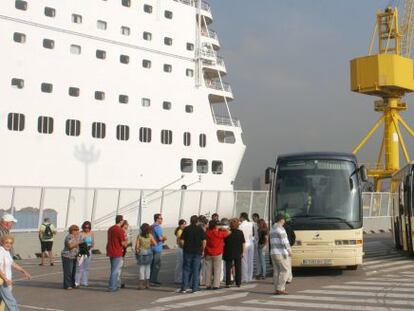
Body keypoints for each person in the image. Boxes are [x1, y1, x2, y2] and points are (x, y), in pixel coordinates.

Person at [0, 235, 31, 311]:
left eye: (10, 243)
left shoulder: (7, 252)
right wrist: (5, 279)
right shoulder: (1, 251)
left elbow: (13, 263)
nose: (8, 244)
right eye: (6, 242)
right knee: (11, 302)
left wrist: (24, 271)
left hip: (6, 280)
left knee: (2, 302)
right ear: (2, 242)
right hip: (2, 281)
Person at [178, 215, 206, 293]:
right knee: (196, 270)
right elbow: (204, 241)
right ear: (197, 221)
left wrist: (184, 247)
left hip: (187, 251)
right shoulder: (200, 229)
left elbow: (182, 241)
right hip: (197, 252)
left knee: (186, 269)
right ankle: (195, 288)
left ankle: (184, 287)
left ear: (190, 221)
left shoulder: (186, 229)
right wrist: (203, 250)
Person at [270, 214, 292, 295]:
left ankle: (276, 288)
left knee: (277, 271)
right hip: (281, 253)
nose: (284, 221)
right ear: (281, 220)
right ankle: (280, 288)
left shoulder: (272, 228)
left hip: (273, 252)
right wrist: (289, 250)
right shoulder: (280, 228)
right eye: (284, 220)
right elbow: (285, 241)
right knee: (285, 270)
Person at [204, 220, 229, 289]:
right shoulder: (219, 233)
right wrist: (223, 228)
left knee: (208, 269)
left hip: (208, 252)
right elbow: (228, 233)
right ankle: (216, 285)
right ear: (215, 226)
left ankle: (208, 284)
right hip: (218, 253)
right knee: (217, 269)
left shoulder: (207, 233)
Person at [0, 214, 17, 311]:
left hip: (4, 270)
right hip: (2, 272)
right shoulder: (1, 233)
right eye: (11, 223)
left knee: (3, 297)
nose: (12, 225)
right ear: (6, 223)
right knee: (10, 299)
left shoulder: (5, 231)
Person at [106, 215, 127, 292]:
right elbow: (123, 243)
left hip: (110, 250)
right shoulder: (120, 230)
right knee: (115, 271)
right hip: (117, 251)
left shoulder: (110, 229)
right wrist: (127, 242)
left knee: (113, 269)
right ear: (121, 221)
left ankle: (113, 285)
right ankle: (112, 287)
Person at [223, 218, 245, 288]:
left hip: (228, 251)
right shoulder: (240, 232)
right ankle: (238, 282)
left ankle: (228, 283)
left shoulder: (227, 232)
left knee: (228, 268)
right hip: (238, 252)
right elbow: (243, 243)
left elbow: (224, 242)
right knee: (238, 267)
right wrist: (243, 252)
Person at [62, 224, 83, 290]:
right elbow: (70, 246)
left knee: (73, 271)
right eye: (76, 230)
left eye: (78, 230)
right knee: (68, 271)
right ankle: (67, 285)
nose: (77, 231)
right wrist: (78, 243)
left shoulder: (76, 237)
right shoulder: (69, 237)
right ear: (72, 230)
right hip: (67, 256)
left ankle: (72, 284)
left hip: (74, 256)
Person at [135, 223, 156, 290]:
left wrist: (137, 251)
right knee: (148, 268)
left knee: (141, 268)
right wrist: (150, 244)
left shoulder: (139, 236)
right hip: (149, 252)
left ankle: (141, 284)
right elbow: (155, 243)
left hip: (141, 252)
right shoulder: (150, 235)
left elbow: (137, 246)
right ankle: (147, 284)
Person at [75, 221, 94, 287]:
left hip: (88, 251)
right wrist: (82, 241)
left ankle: (84, 281)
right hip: (81, 251)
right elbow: (76, 243)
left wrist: (91, 246)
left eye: (88, 227)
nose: (87, 229)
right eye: (85, 227)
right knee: (79, 267)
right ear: (83, 227)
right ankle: (77, 282)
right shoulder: (80, 234)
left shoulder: (91, 233)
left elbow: (93, 243)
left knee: (86, 267)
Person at [150, 214, 167, 287]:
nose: (162, 220)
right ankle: (153, 280)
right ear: (157, 219)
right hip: (157, 247)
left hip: (151, 247)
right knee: (156, 264)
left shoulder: (151, 226)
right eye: (161, 218)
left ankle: (150, 279)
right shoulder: (157, 227)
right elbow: (160, 238)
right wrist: (164, 238)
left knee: (151, 264)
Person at [239, 212, 254, 283]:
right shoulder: (251, 224)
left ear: (242, 217)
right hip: (251, 243)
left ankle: (245, 278)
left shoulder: (241, 226)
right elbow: (252, 234)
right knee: (250, 260)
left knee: (244, 261)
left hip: (244, 244)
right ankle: (250, 277)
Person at [283, 213, 296, 284]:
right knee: (288, 264)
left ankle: (286, 278)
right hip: (289, 247)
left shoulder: (281, 228)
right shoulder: (290, 227)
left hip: (283, 248)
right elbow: (294, 237)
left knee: (284, 264)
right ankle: (289, 278)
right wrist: (291, 244)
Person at [174, 219, 186, 284]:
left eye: (185, 224)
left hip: (181, 248)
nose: (184, 225)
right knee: (180, 264)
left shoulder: (181, 230)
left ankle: (179, 278)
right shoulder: (180, 231)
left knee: (181, 264)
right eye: (183, 224)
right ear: (180, 225)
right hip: (181, 248)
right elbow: (181, 241)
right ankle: (178, 279)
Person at [120, 220, 130, 288]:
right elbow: (123, 243)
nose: (128, 226)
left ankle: (119, 281)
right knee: (119, 267)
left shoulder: (124, 232)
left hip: (123, 251)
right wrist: (128, 244)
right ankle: (118, 282)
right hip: (121, 251)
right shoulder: (122, 232)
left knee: (120, 267)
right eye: (127, 224)